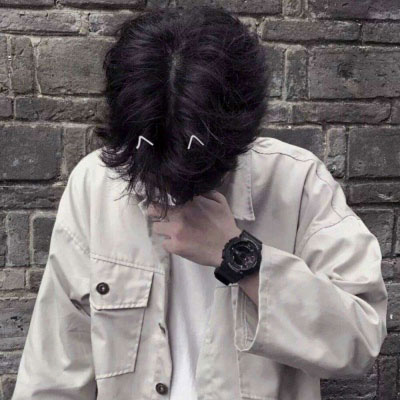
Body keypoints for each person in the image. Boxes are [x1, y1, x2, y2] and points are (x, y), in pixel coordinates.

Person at [12, 6, 388, 400]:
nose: (171, 182)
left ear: (241, 133)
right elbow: (54, 371)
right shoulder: (95, 185)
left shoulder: (297, 182)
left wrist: (241, 257)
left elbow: (360, 341)